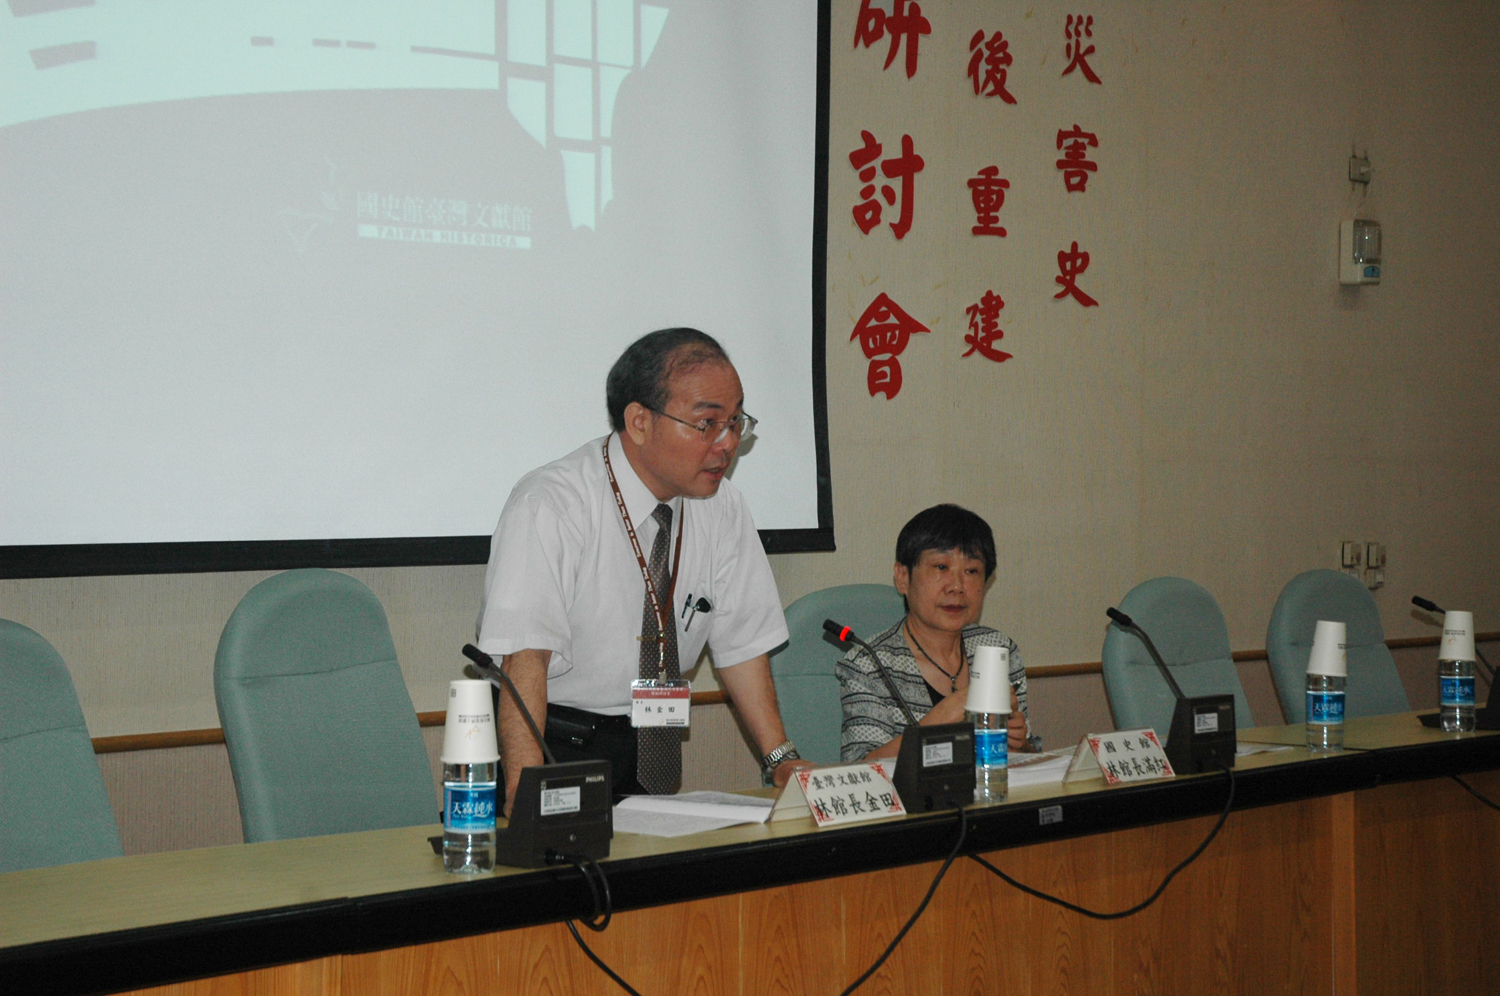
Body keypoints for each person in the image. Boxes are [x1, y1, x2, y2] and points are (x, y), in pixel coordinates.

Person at [477, 328, 812, 811]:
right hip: (548, 742)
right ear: (639, 421)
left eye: (736, 422)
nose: (726, 443)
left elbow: (741, 646)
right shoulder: (552, 502)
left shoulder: (723, 507)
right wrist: (526, 794)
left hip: (647, 748)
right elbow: (525, 660)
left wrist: (780, 759)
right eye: (707, 424)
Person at [837, 504, 1038, 762]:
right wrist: (937, 722)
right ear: (902, 577)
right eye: (941, 567)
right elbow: (859, 771)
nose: (957, 586)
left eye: (972, 571)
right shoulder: (867, 665)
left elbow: (1031, 759)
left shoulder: (999, 649)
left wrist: (1021, 746)